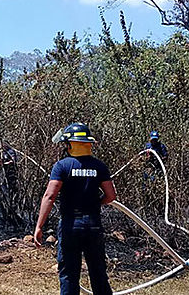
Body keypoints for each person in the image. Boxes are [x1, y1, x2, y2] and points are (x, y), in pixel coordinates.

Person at [33, 123, 117, 295]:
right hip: (93, 225)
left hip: (71, 225)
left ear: (71, 144)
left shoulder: (62, 166)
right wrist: (94, 203)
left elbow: (49, 196)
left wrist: (39, 226)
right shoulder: (99, 166)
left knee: (69, 275)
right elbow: (111, 196)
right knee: (98, 273)